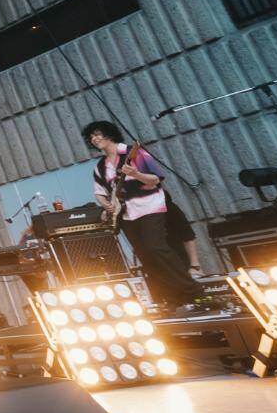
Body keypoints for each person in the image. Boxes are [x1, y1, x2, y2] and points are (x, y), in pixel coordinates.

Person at [83, 121, 200, 312]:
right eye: (91, 137)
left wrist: (136, 174)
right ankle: (170, 298)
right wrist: (105, 204)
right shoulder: (100, 166)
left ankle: (192, 290)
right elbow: (100, 192)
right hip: (126, 214)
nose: (94, 139)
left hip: (150, 206)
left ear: (109, 133)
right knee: (146, 256)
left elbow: (155, 179)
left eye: (97, 134)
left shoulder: (133, 153)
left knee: (156, 247)